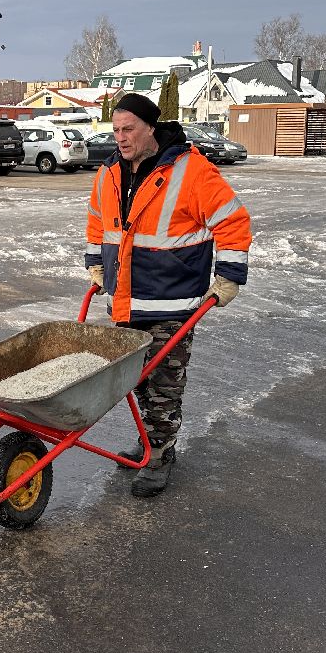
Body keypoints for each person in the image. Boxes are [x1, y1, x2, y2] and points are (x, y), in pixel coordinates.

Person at [84, 93, 251, 497]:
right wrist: (96, 264)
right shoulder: (108, 173)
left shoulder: (191, 171)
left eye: (129, 130)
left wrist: (227, 277)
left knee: (163, 386)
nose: (121, 138)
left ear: (150, 129)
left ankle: (159, 456)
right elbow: (97, 221)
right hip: (125, 300)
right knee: (136, 381)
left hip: (172, 303)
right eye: (116, 130)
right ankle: (151, 442)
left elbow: (232, 221)